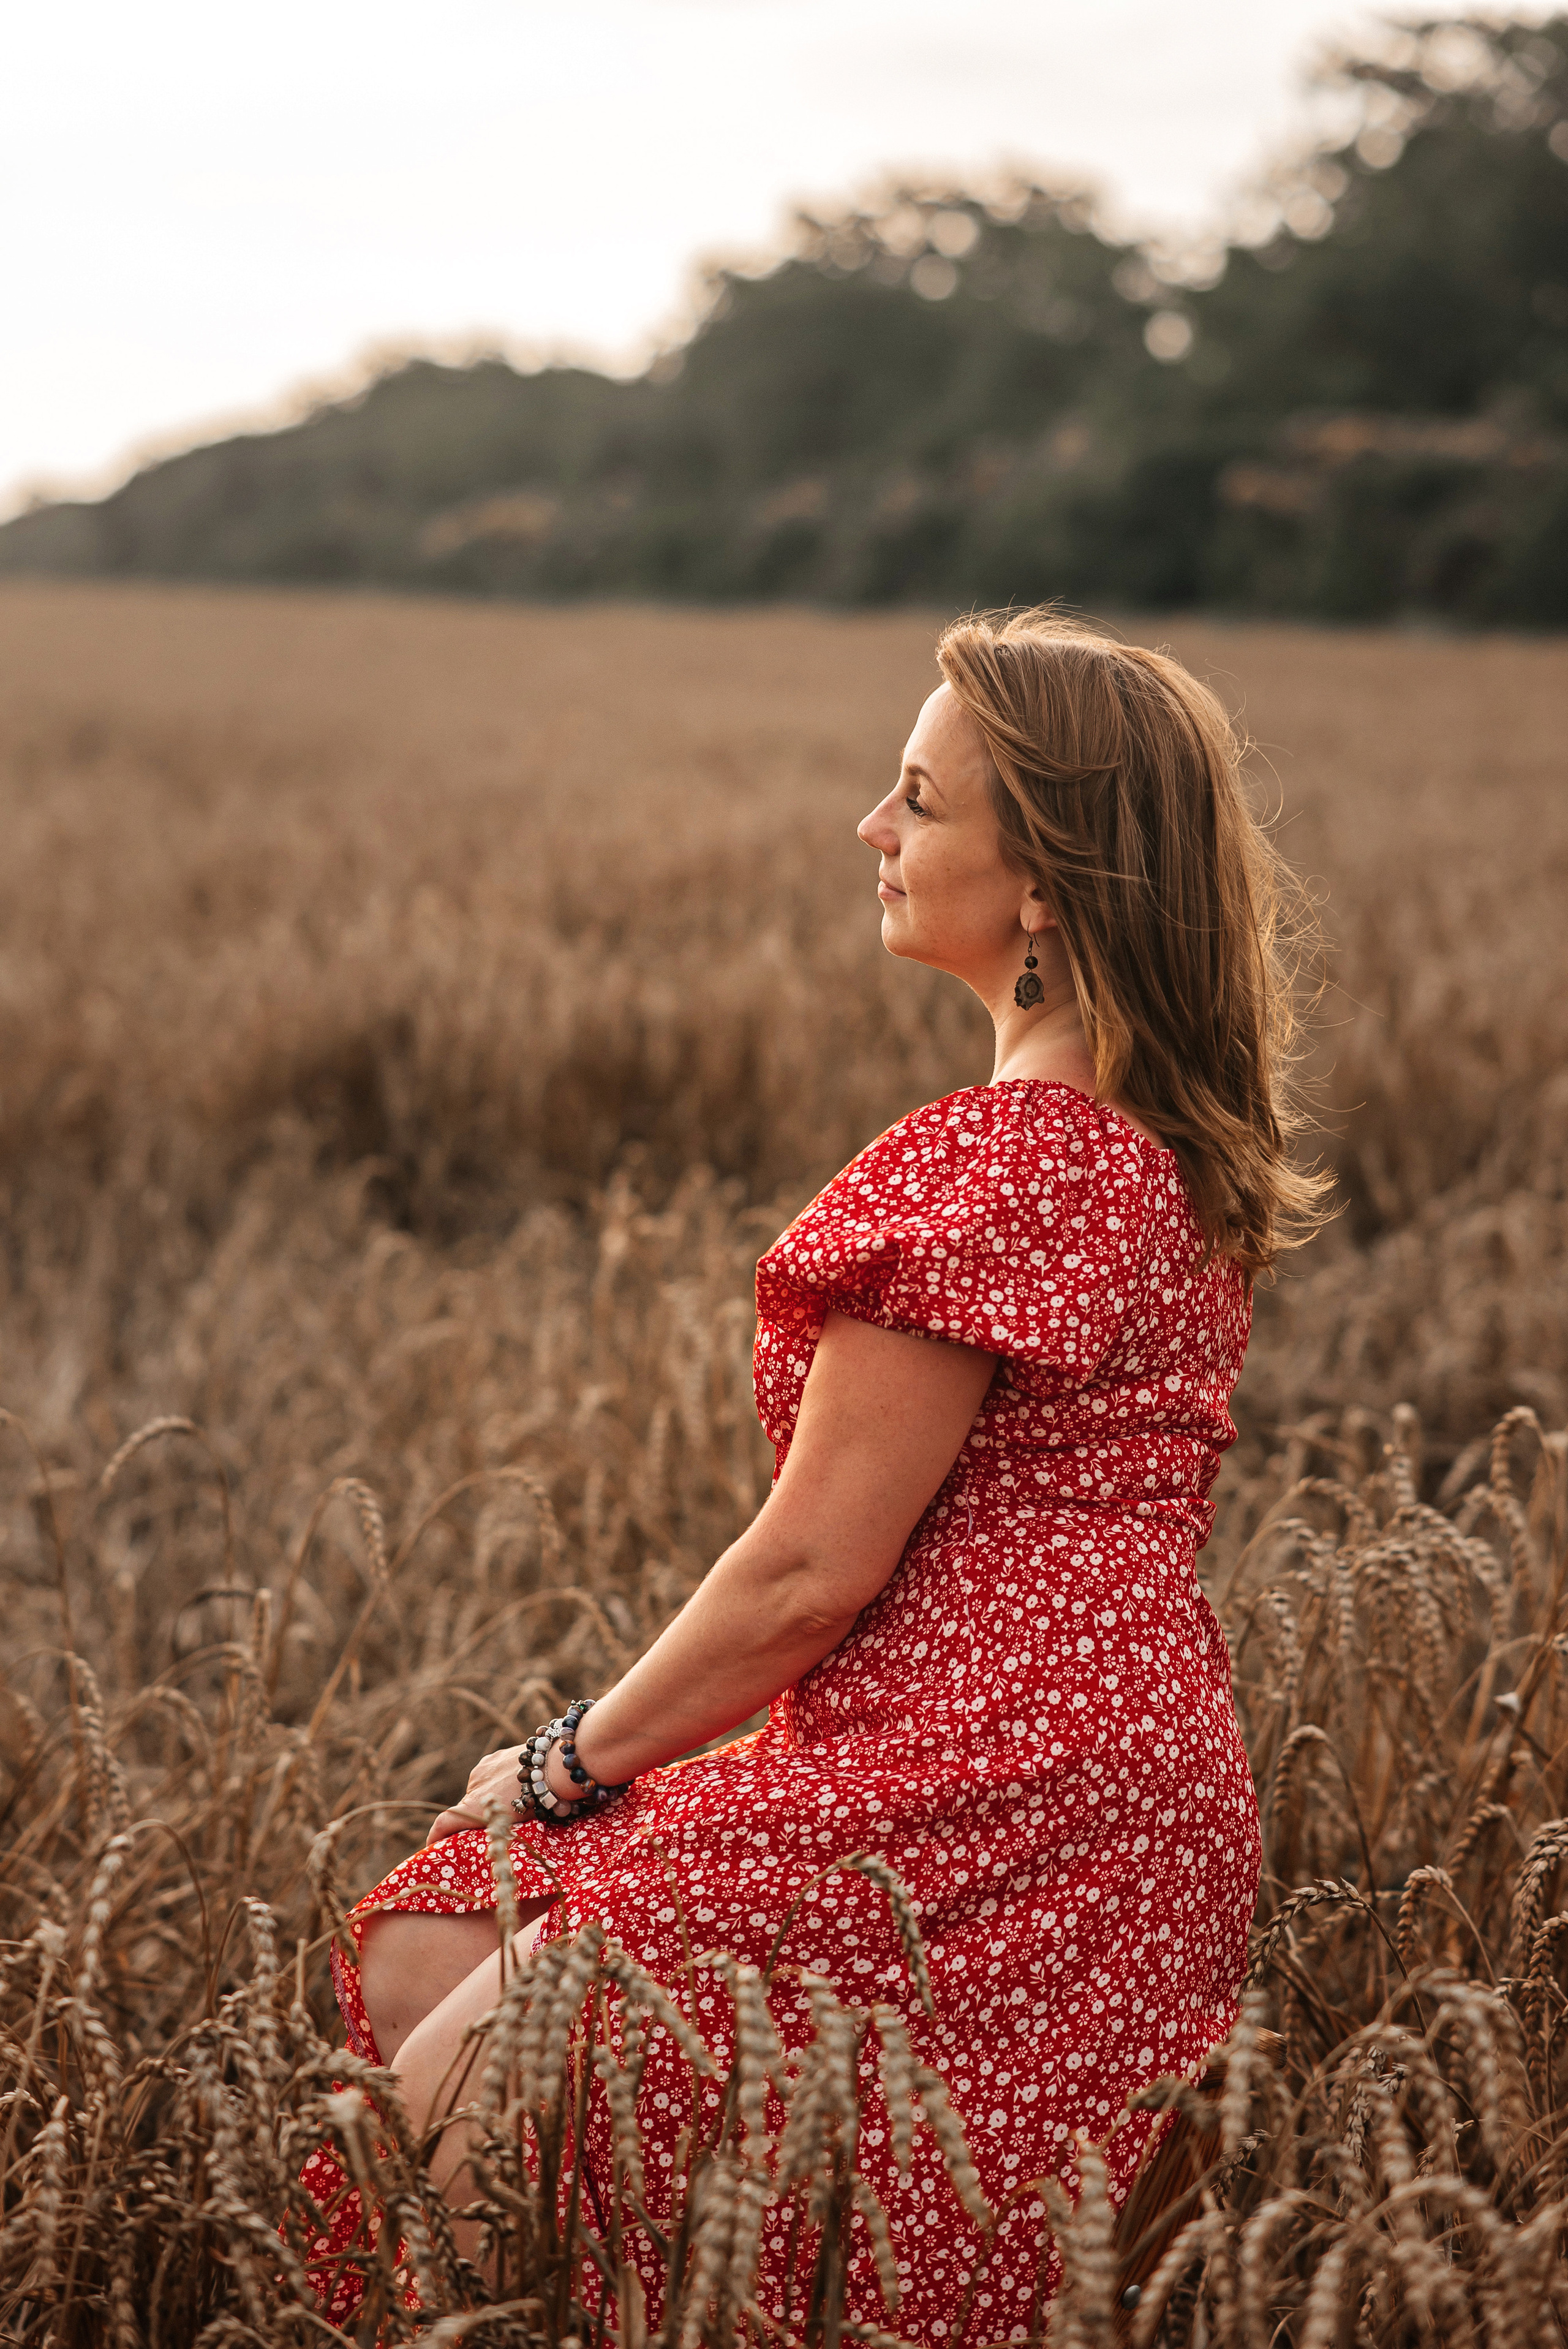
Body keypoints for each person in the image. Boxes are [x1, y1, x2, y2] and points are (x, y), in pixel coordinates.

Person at [301, 607, 1323, 2337]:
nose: (872, 826)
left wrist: (556, 1766)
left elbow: (807, 1570)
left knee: (476, 2108)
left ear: (1054, 880)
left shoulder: (1005, 1160)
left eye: (918, 801)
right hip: (1125, 1791)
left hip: (981, 1785)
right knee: (433, 1967)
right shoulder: (1155, 1158)